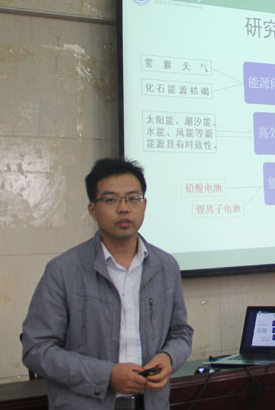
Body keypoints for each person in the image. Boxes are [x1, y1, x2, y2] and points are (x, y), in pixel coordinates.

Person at [22, 158, 193, 409]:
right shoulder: (63, 271)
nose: (124, 208)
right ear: (92, 209)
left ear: (144, 205)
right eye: (111, 200)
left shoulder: (166, 266)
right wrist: (106, 375)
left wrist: (169, 357)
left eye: (133, 198)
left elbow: (181, 334)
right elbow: (37, 349)